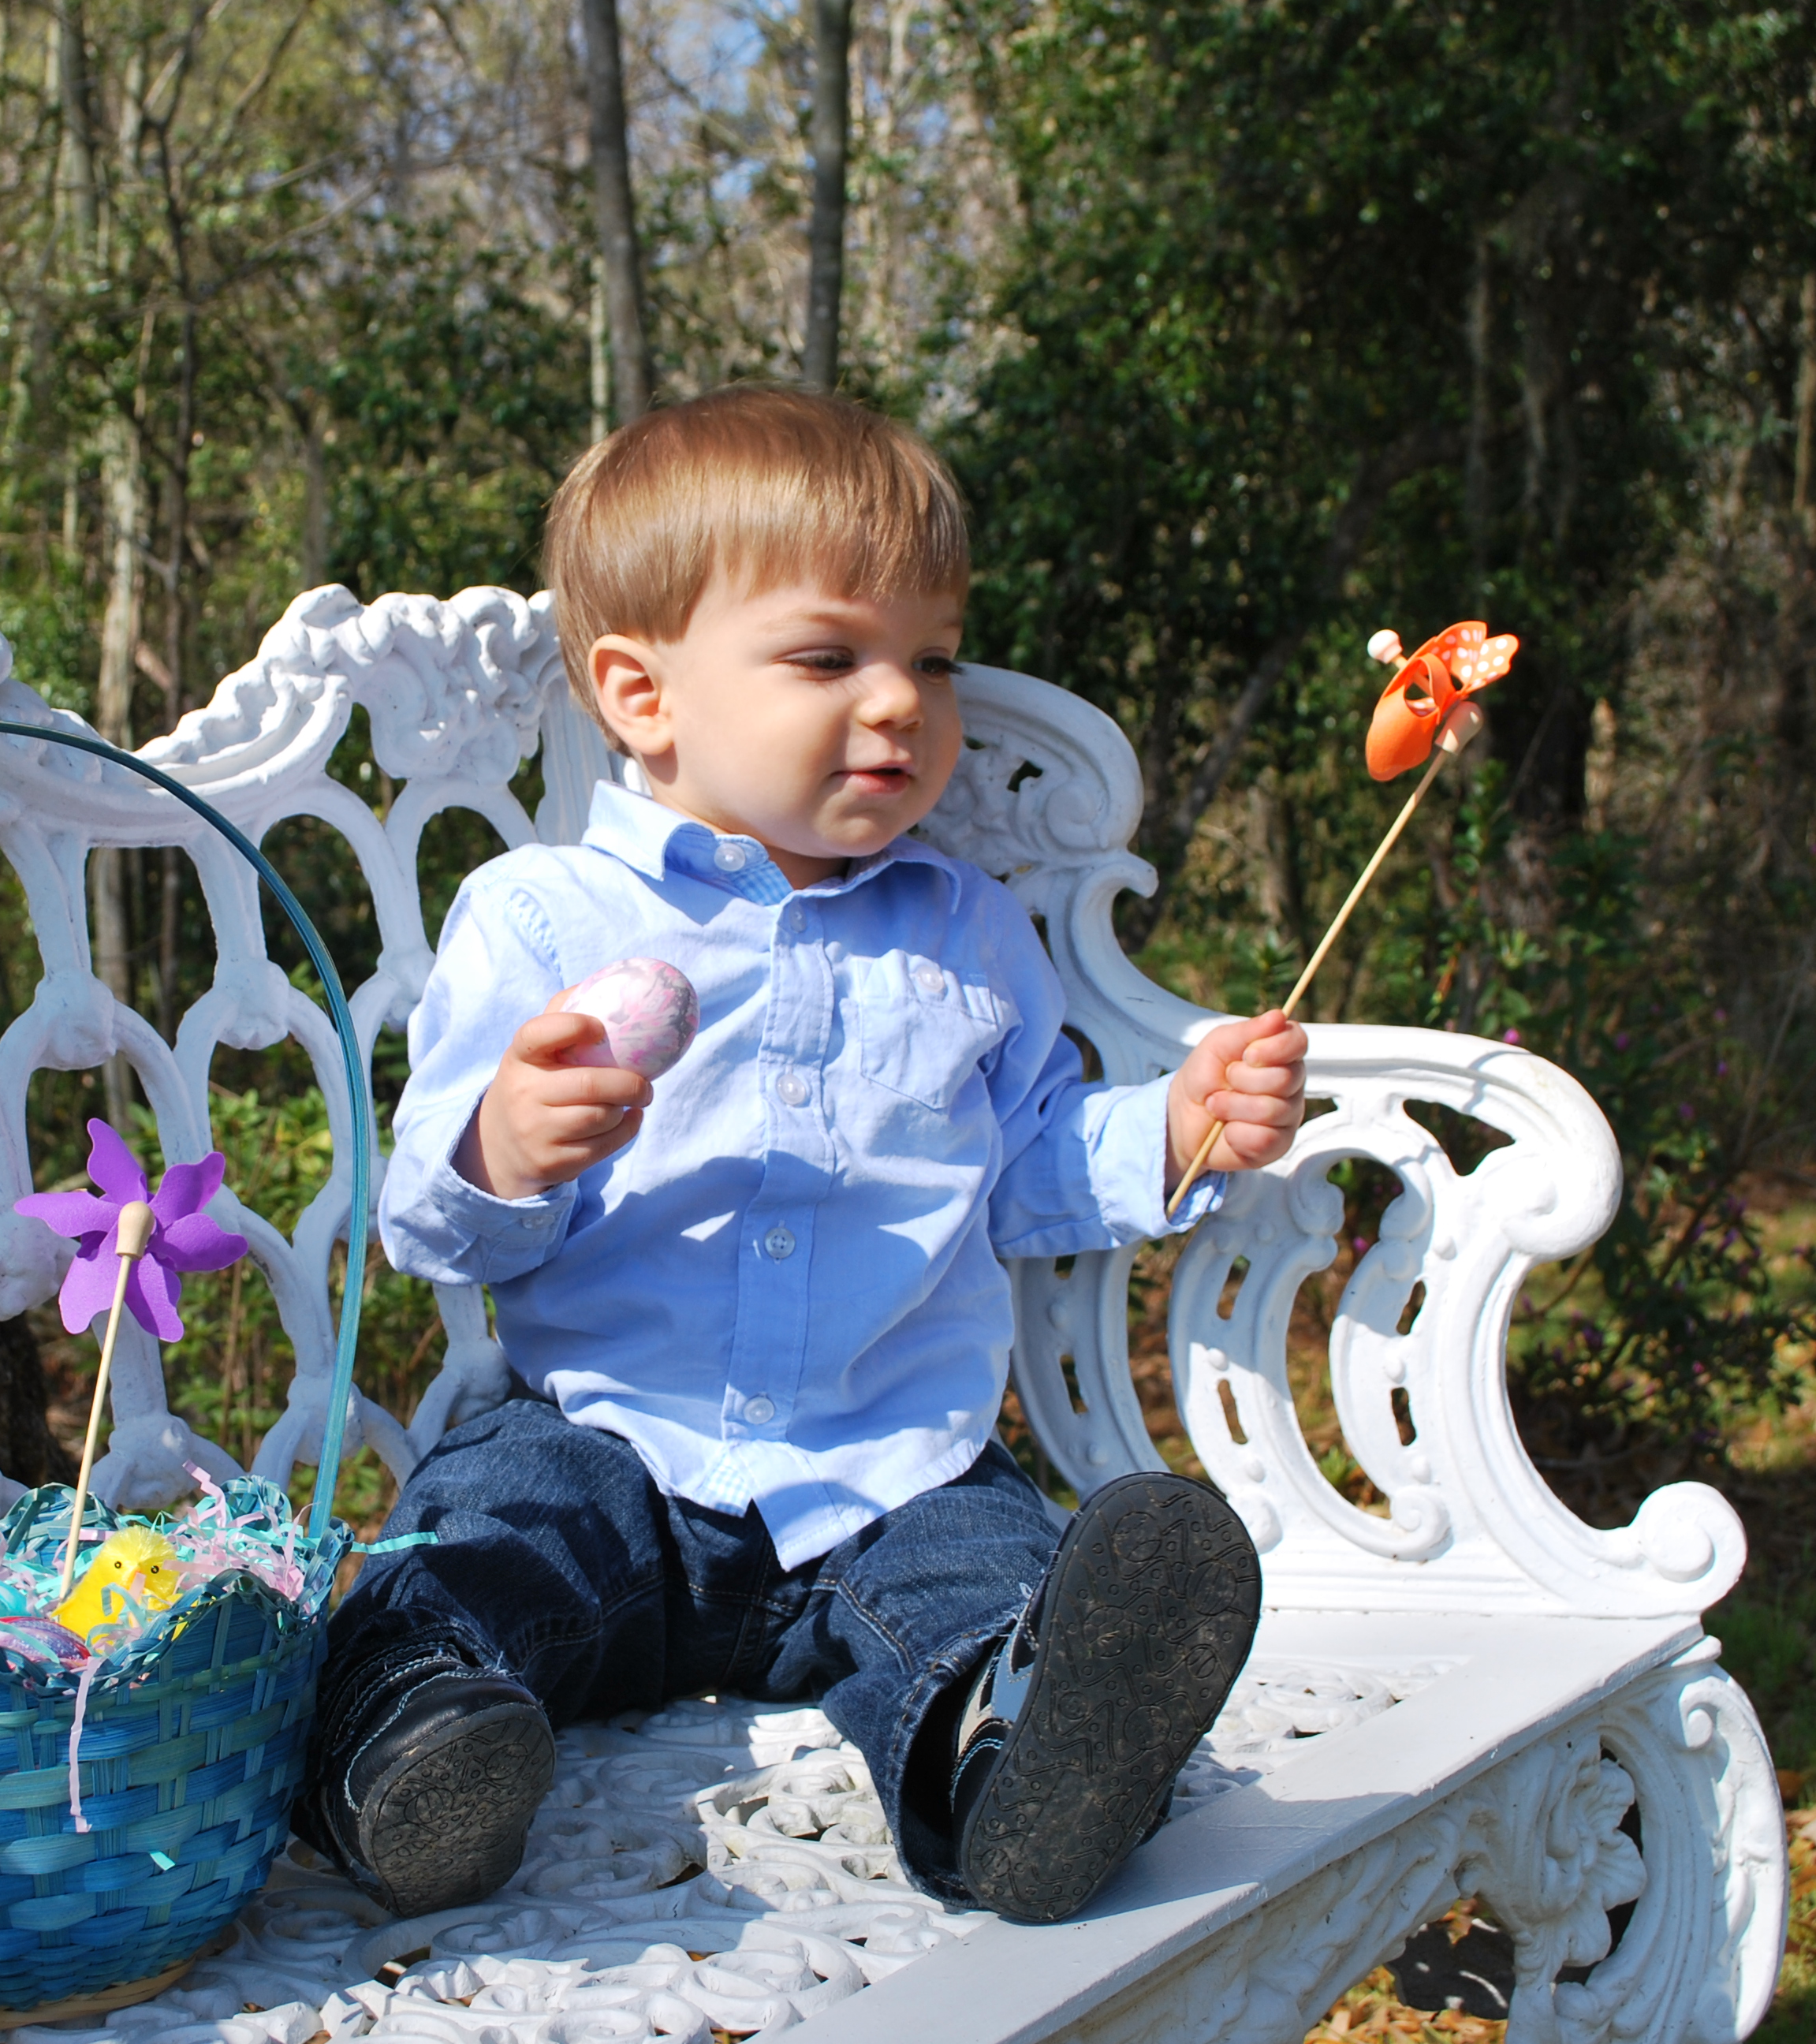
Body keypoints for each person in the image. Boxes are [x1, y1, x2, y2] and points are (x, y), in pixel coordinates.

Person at [295, 386, 1308, 1927]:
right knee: (481, 1545)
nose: (901, 703)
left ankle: (1009, 1767)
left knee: (987, 1585)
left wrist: (1177, 1129)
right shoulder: (545, 919)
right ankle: (412, 1749)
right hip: (607, 1439)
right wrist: (503, 1146)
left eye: (933, 658)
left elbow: (1024, 1168)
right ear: (642, 695)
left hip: (888, 1468)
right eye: (830, 659)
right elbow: (436, 1230)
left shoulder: (967, 932)